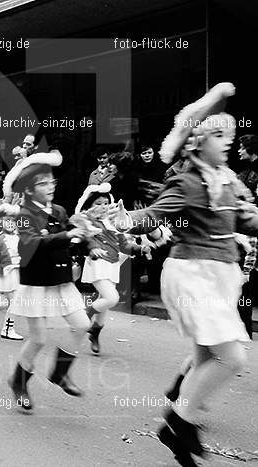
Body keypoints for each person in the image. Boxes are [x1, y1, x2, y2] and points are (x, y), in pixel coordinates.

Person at [107, 83, 257, 466]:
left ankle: (175, 430)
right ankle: (179, 420)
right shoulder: (188, 181)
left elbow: (244, 218)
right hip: (193, 273)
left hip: (221, 273)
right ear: (198, 141)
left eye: (231, 136)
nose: (228, 143)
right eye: (220, 136)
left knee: (206, 356)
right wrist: (124, 219)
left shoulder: (226, 179)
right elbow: (155, 214)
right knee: (233, 358)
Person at [0, 152, 92, 412]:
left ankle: (60, 372)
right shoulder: (25, 213)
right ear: (29, 189)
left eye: (52, 182)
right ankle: (18, 381)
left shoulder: (60, 210)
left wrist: (87, 240)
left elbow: (71, 239)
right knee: (38, 338)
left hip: (61, 279)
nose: (50, 187)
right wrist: (66, 235)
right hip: (37, 280)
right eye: (43, 183)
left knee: (83, 324)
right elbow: (29, 243)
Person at [75, 183, 148, 354]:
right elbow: (84, 233)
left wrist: (140, 248)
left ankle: (95, 332)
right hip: (97, 263)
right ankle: (86, 314)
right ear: (90, 205)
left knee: (106, 303)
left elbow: (124, 246)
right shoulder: (85, 219)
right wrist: (92, 247)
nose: (102, 207)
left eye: (105, 203)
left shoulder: (113, 223)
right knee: (112, 298)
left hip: (112, 265)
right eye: (98, 203)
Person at [0, 206, 24, 340]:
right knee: (15, 302)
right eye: (7, 221)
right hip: (7, 274)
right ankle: (7, 329)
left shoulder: (19, 236)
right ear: (1, 222)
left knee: (9, 302)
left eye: (13, 221)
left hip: (17, 272)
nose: (11, 224)